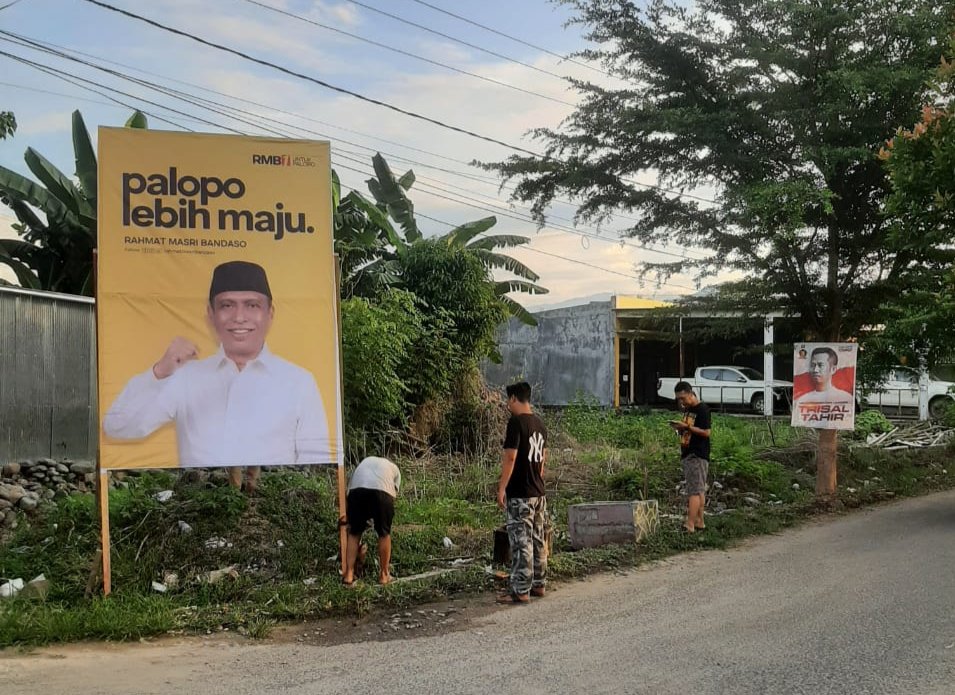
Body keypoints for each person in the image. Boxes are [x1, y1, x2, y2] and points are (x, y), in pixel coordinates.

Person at [102, 260, 330, 492]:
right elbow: (117, 426)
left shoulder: (299, 382)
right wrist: (159, 371)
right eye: (227, 305)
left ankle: (250, 486)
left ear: (270, 313)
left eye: (252, 305)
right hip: (204, 512)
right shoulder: (188, 378)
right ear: (211, 314)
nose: (239, 317)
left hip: (273, 514)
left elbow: (317, 456)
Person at [496, 381, 548, 604]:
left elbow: (511, 457)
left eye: (509, 400)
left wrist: (502, 488)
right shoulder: (540, 424)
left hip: (520, 493)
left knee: (520, 541)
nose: (507, 404)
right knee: (538, 539)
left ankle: (520, 590)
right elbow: (543, 461)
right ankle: (539, 584)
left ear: (515, 398)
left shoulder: (516, 423)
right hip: (538, 492)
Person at [342, 455, 401, 586]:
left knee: (354, 532)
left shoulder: (364, 462)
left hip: (356, 491)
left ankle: (349, 574)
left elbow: (349, 491)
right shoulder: (395, 469)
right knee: (384, 533)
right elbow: (392, 494)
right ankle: (384, 575)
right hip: (382, 491)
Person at [669, 381, 711, 534]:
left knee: (694, 491)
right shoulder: (688, 410)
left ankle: (690, 524)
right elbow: (688, 429)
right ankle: (700, 521)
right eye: (678, 399)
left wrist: (687, 427)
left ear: (691, 393)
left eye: (683, 398)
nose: (681, 402)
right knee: (699, 490)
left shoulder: (702, 409)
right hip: (688, 452)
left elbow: (706, 432)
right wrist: (680, 429)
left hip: (697, 454)